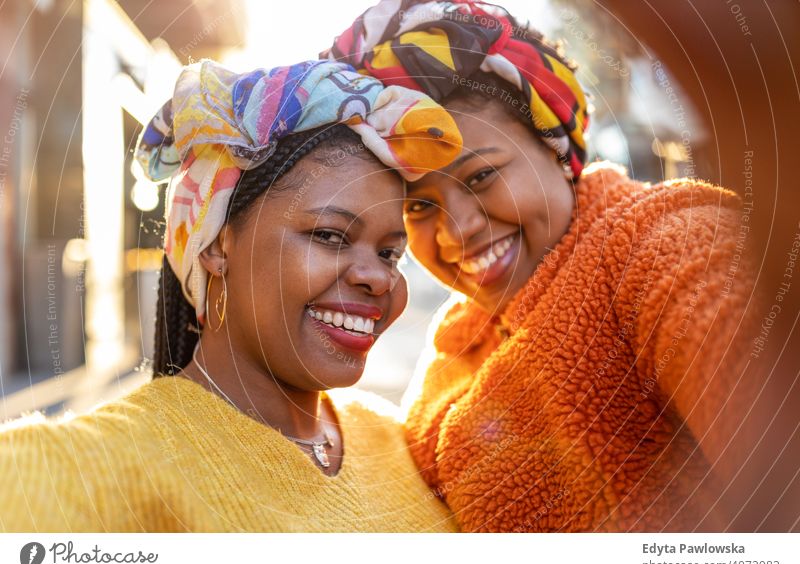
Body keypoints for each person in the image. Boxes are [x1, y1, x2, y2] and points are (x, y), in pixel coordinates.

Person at [324, 0, 757, 532]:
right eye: (419, 206)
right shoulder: (459, 340)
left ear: (556, 148)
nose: (458, 229)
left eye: (481, 178)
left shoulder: (658, 243)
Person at [0, 59, 463, 532]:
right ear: (217, 244)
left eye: (390, 253)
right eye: (328, 235)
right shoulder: (87, 466)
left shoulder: (395, 436)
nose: (379, 278)